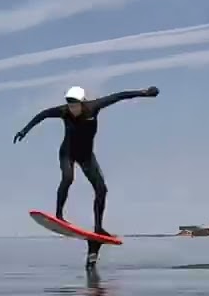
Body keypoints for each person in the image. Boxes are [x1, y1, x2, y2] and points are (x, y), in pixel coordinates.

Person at [14, 85, 159, 243]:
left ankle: (98, 227)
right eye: (70, 105)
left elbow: (119, 95)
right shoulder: (63, 111)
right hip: (67, 153)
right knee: (68, 178)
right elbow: (42, 115)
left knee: (101, 189)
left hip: (86, 156)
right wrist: (24, 130)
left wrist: (144, 93)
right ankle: (59, 215)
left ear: (83, 103)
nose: (72, 109)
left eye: (75, 105)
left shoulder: (93, 107)